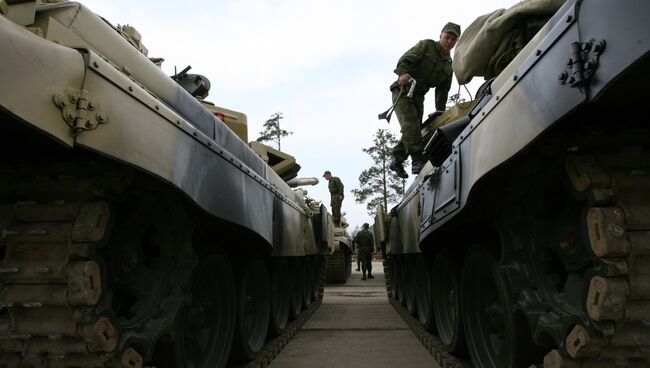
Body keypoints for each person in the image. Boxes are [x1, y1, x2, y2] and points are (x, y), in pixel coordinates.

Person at [388, 22, 461, 178]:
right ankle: (417, 161)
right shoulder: (426, 46)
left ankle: (397, 158)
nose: (449, 41)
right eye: (447, 37)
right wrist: (402, 73)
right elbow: (405, 59)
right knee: (411, 126)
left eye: (453, 39)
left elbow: (442, 91)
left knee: (416, 130)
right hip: (403, 90)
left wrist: (441, 113)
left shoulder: (449, 65)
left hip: (419, 95)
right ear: (440, 35)